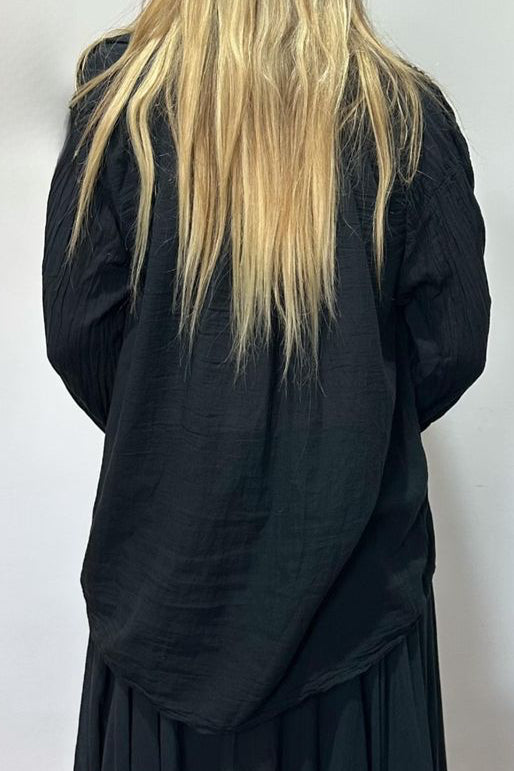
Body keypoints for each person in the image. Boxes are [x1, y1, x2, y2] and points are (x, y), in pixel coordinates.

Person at [41, 2, 491, 769]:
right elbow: (449, 343)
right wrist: (343, 419)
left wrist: (180, 411)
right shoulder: (404, 117)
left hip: (168, 610)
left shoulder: (121, 107)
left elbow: (81, 335)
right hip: (355, 625)